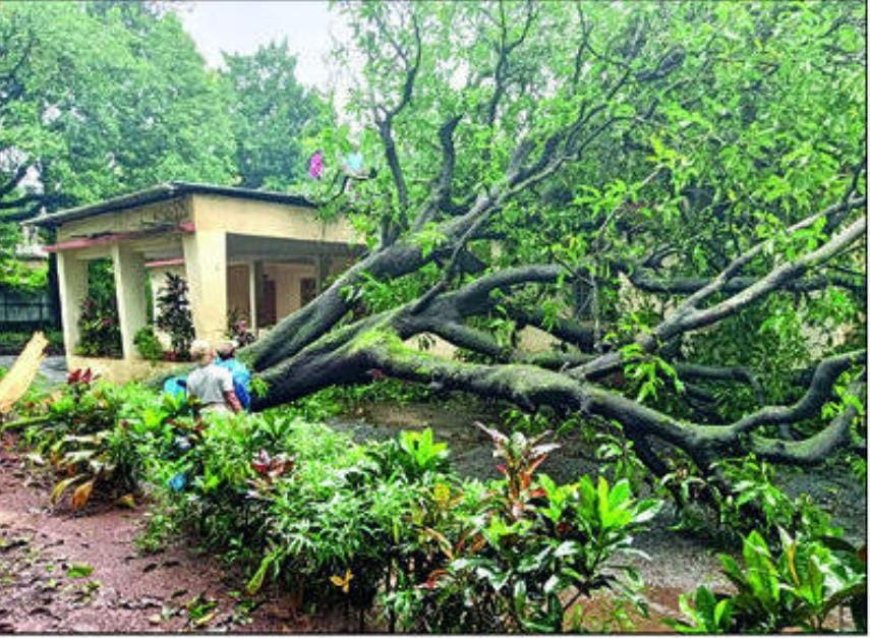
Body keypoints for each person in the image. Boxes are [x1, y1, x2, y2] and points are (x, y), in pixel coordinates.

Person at [185, 340, 242, 414]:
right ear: (211, 353)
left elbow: (192, 402)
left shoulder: (191, 378)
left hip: (203, 415)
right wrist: (241, 414)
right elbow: (231, 398)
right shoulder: (222, 372)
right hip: (222, 414)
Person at [215, 341, 252, 411]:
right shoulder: (240, 369)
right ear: (234, 353)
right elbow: (242, 392)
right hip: (235, 407)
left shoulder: (214, 367)